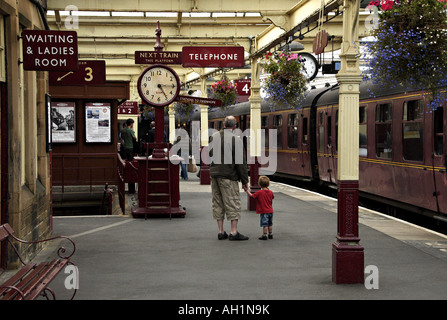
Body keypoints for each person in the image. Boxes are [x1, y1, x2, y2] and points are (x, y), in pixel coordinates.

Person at [209, 115, 249, 241]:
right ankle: (233, 232)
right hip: (228, 176)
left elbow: (210, 153)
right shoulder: (235, 140)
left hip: (214, 175)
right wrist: (244, 181)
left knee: (217, 203)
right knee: (232, 202)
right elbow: (240, 162)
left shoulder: (214, 137)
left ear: (223, 124)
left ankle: (221, 232)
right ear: (235, 126)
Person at [246, 176, 275, 240]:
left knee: (265, 224)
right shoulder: (270, 192)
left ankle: (264, 235)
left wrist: (247, 191)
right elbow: (272, 197)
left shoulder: (259, 192)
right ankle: (270, 234)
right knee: (270, 223)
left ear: (259, 184)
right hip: (270, 211)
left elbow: (252, 196)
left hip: (264, 211)